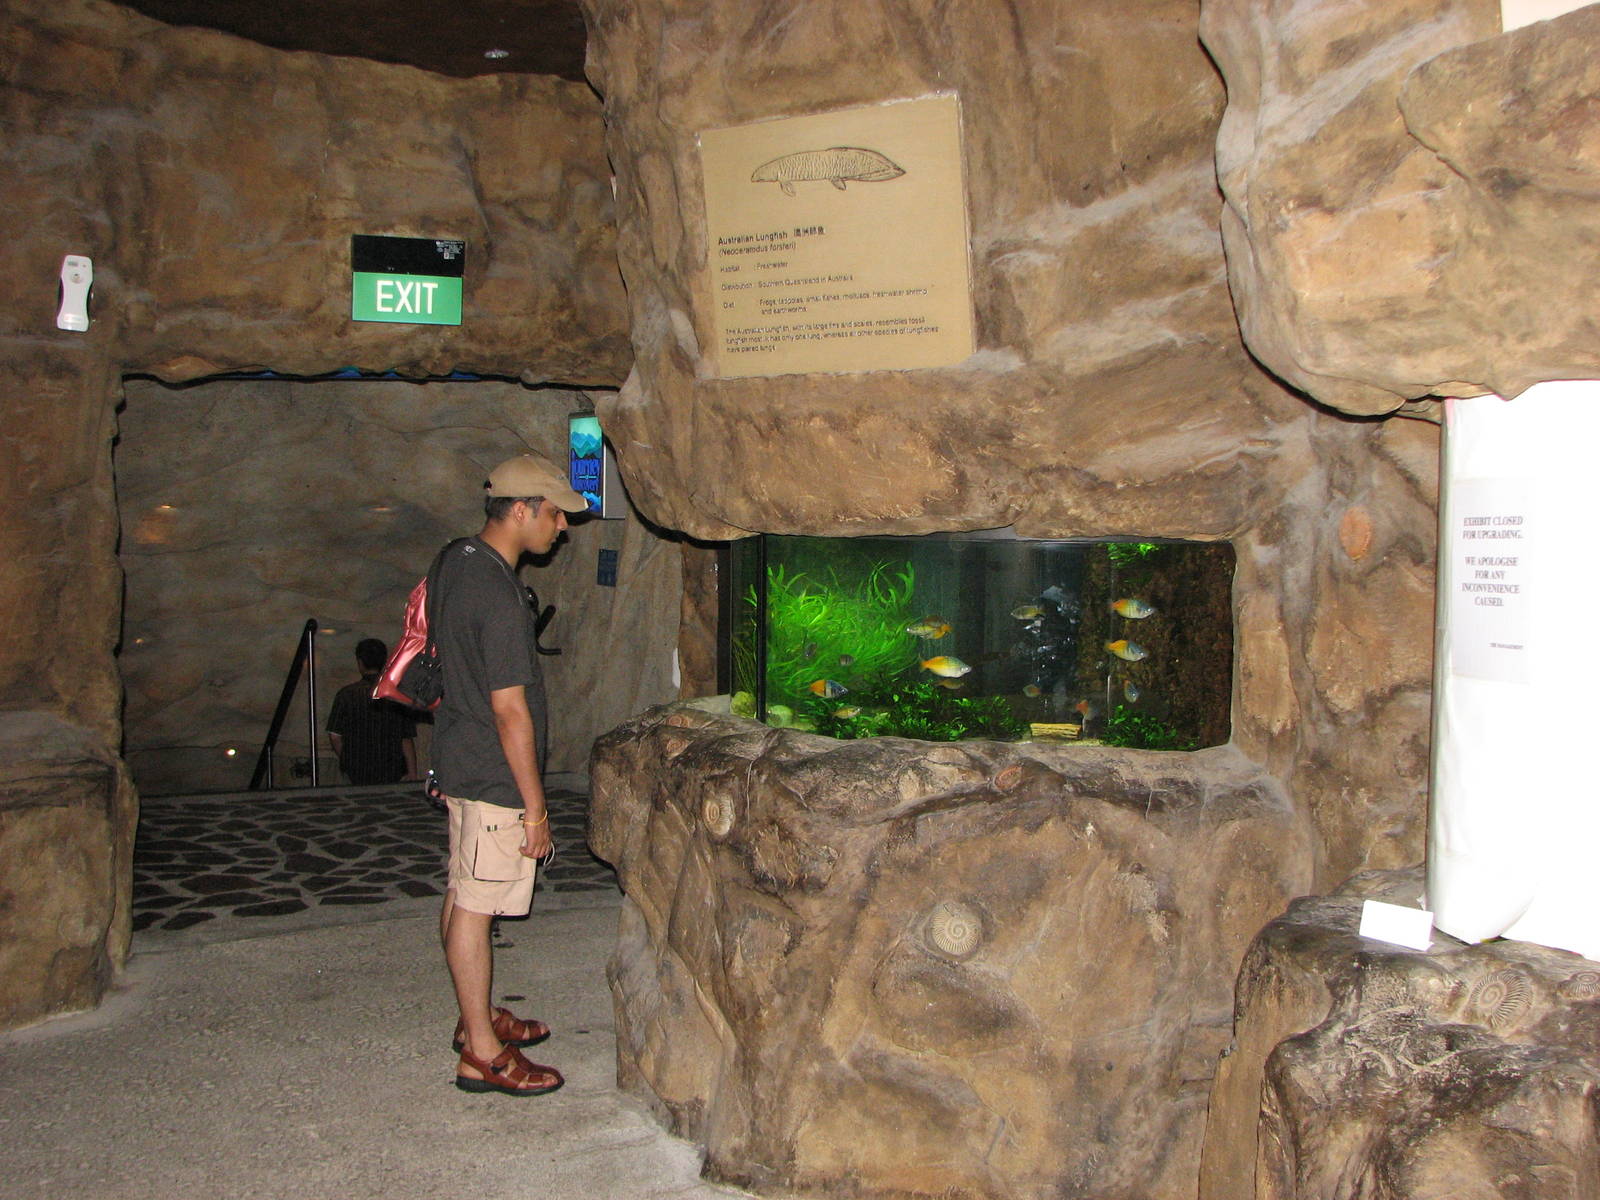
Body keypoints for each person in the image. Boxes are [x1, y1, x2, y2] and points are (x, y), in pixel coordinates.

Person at [431, 451, 586, 1097]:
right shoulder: (498, 596)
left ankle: (476, 1019)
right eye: (555, 513)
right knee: (476, 907)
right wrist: (536, 809)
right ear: (522, 510)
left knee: (464, 891)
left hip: (458, 755)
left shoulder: (456, 559)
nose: (563, 527)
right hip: (492, 774)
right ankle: (483, 1054)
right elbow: (511, 711)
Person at [325, 638, 418, 785]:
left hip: (357, 771)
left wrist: (349, 760)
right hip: (392, 770)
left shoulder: (346, 695)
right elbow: (405, 738)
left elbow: (335, 735)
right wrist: (412, 772)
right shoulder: (396, 695)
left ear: (360, 662)